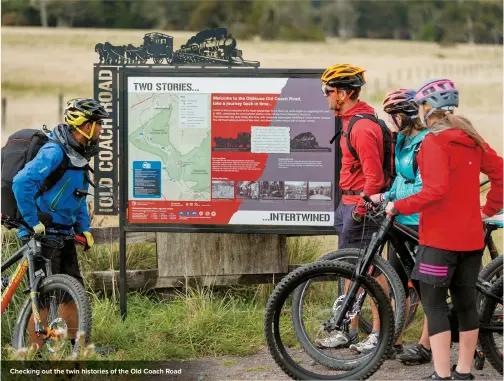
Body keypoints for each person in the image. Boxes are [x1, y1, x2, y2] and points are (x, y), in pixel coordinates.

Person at [386, 79, 503, 380]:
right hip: (470, 239)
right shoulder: (472, 138)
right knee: (466, 306)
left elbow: (435, 190)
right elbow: (500, 172)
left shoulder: (434, 143)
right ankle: (462, 372)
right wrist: (487, 210)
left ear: (429, 109)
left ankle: (441, 374)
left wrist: (399, 206)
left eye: (422, 106)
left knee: (434, 305)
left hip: (439, 242)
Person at [12, 98, 108, 351]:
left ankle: (80, 347)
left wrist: (83, 228)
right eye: (98, 124)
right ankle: (33, 355)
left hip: (63, 233)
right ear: (84, 125)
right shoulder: (55, 151)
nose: (101, 129)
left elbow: (78, 197)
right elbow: (22, 183)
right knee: (42, 297)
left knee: (72, 292)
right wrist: (33, 221)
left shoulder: (80, 155)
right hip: (40, 233)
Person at [315, 64, 388, 349]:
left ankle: (379, 334)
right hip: (347, 204)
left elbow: (376, 179)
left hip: (361, 207)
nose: (325, 96)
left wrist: (359, 209)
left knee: (372, 272)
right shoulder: (348, 121)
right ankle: (348, 330)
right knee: (350, 270)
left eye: (327, 91)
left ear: (343, 93)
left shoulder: (363, 128)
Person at [355, 88, 430, 357]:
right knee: (397, 282)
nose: (389, 122)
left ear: (405, 116)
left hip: (420, 222)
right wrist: (382, 196)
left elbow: (423, 187)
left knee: (426, 286)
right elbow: (402, 180)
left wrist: (392, 202)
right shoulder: (401, 141)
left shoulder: (425, 143)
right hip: (398, 221)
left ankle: (425, 346)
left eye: (393, 116)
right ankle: (392, 340)